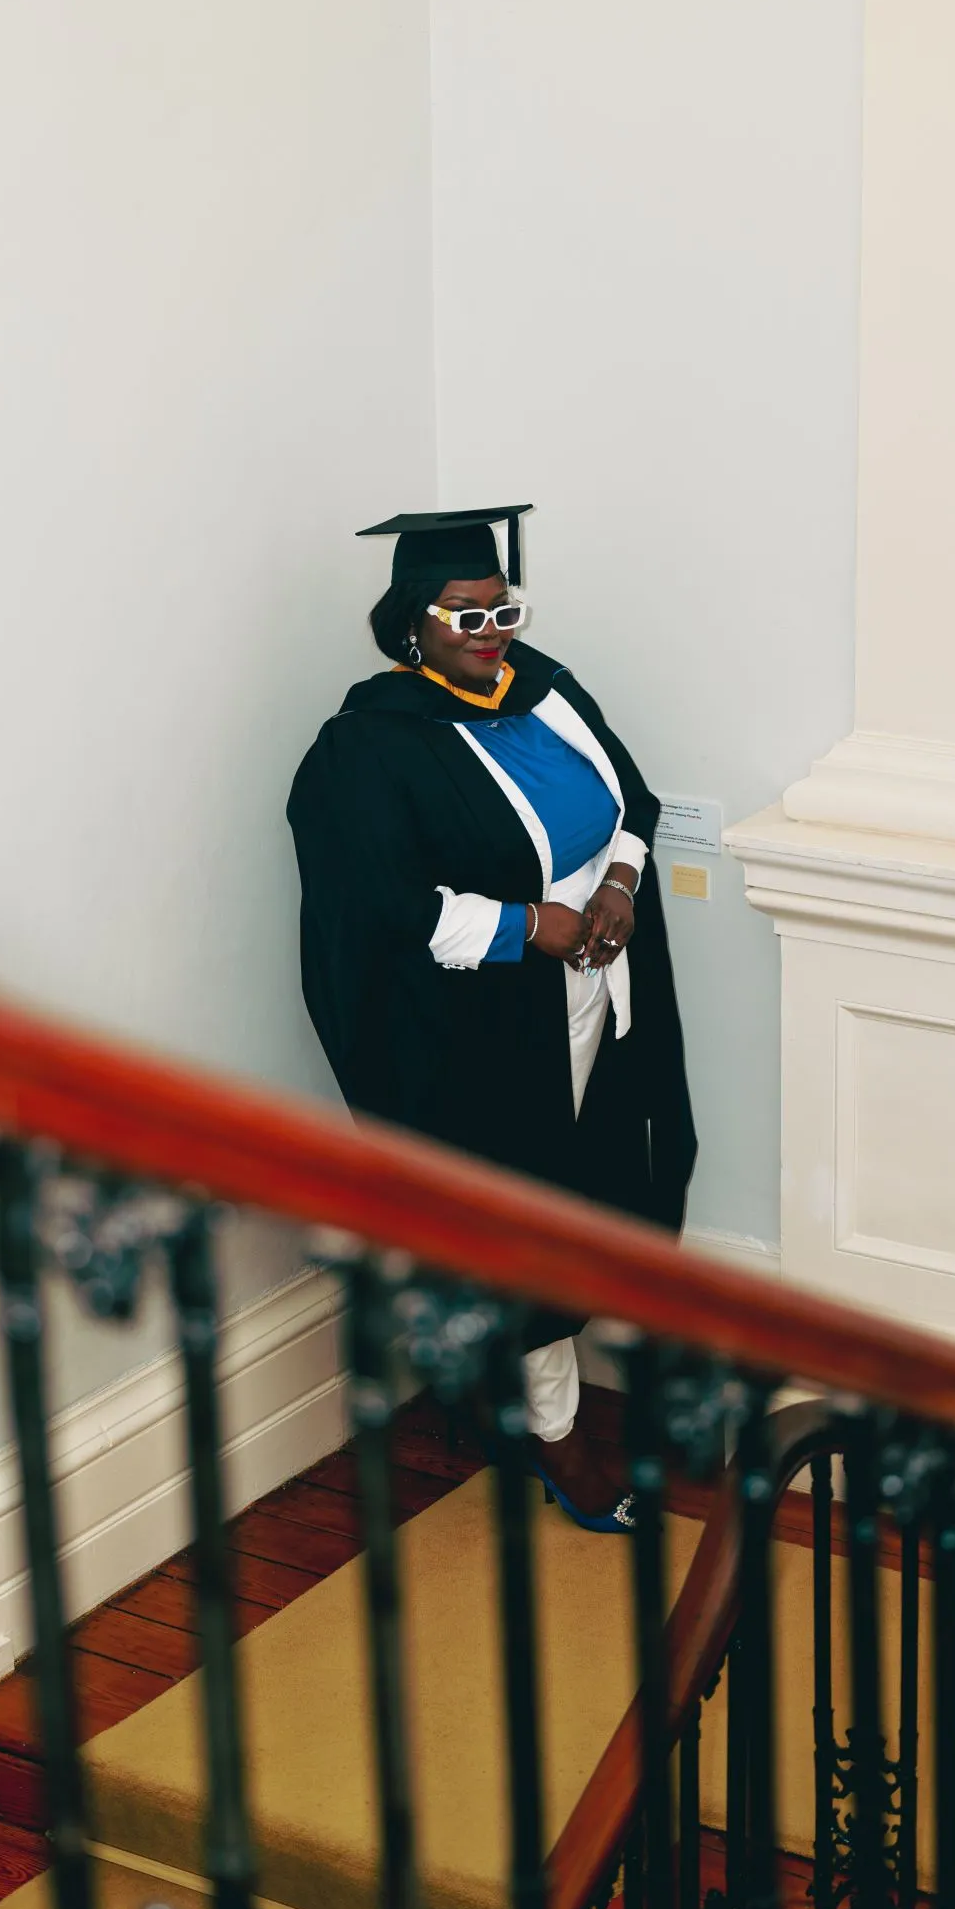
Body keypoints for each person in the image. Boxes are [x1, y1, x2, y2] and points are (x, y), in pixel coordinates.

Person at [287, 505, 696, 1529]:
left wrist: (619, 893)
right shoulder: (369, 748)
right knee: (525, 1212)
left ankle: (550, 1391)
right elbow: (376, 903)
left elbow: (632, 801)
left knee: (598, 1177)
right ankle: (558, 1433)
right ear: (409, 625)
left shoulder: (548, 688)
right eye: (465, 614)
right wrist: (530, 924)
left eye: (502, 607)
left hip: (601, 983)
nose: (492, 632)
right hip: (489, 1022)